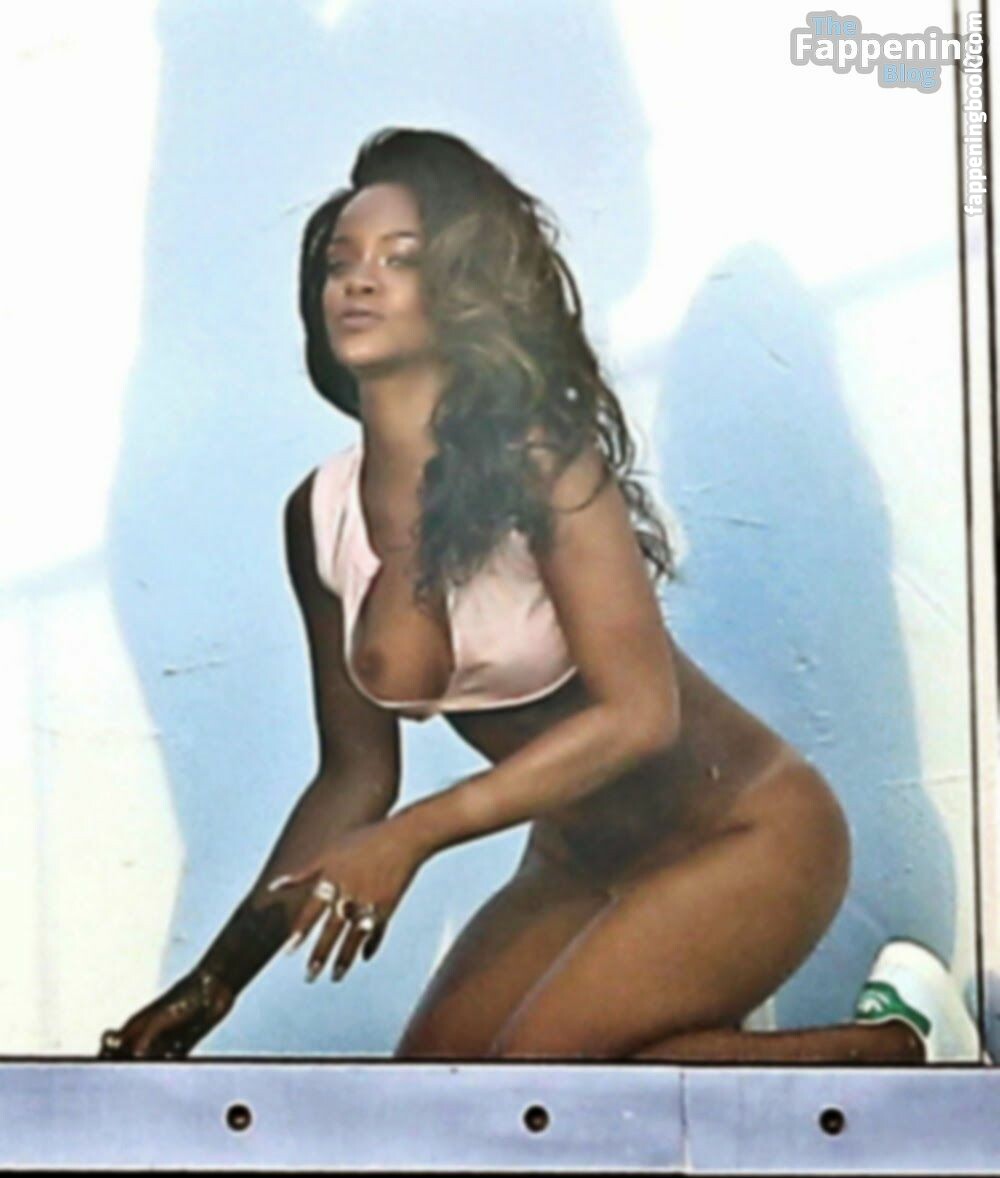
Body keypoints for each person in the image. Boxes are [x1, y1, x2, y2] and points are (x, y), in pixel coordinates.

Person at [98, 127, 983, 1065]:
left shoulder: (543, 467)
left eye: (400, 259)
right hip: (578, 864)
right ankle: (729, 1038)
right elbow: (354, 780)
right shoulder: (318, 516)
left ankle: (907, 1045)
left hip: (745, 833)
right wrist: (214, 984)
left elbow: (641, 715)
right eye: (339, 263)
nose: (358, 281)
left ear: (459, 290)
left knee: (542, 1089)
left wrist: (413, 838)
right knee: (431, 1108)